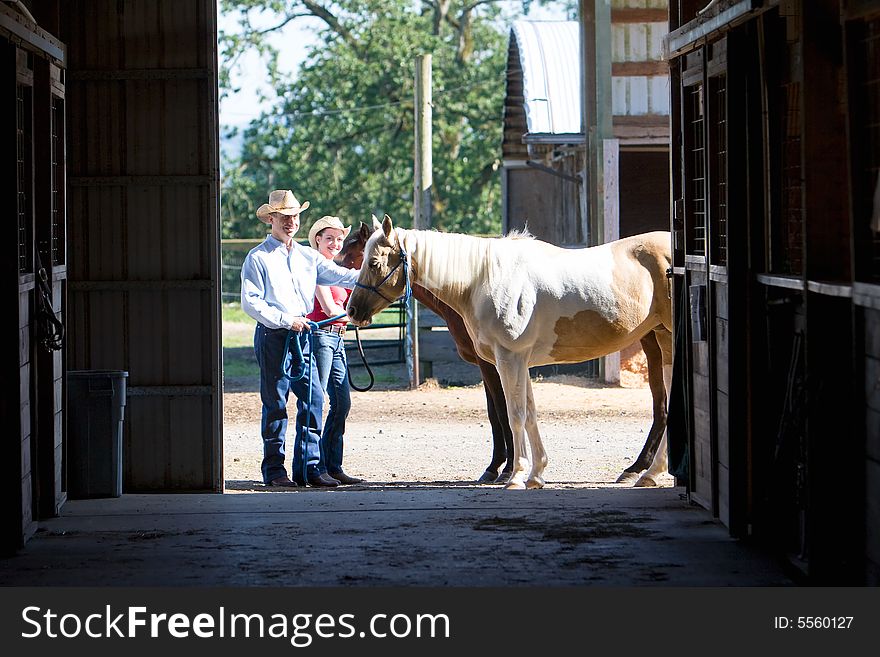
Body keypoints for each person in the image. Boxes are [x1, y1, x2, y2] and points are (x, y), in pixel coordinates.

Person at [240, 190, 360, 488]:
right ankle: (274, 470)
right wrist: (286, 320)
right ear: (271, 219)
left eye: (294, 216)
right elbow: (251, 302)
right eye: (284, 217)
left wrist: (379, 272)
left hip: (302, 333)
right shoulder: (258, 258)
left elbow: (342, 275)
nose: (290, 222)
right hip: (275, 334)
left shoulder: (307, 256)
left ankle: (308, 468)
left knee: (313, 398)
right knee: (276, 401)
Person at [306, 216, 364, 485]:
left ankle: (333, 464)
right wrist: (355, 314)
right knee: (318, 401)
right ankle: (315, 467)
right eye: (329, 238)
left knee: (341, 402)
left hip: (337, 338)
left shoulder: (337, 270)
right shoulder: (317, 269)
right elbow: (329, 309)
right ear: (318, 239)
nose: (335, 243)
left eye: (339, 239)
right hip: (320, 336)